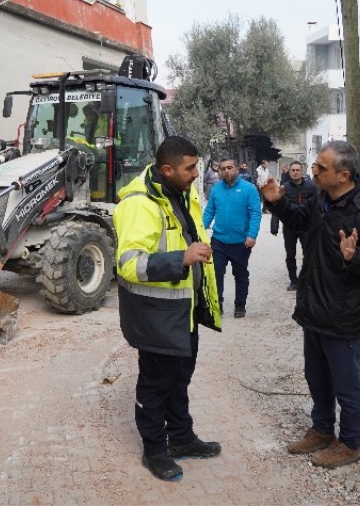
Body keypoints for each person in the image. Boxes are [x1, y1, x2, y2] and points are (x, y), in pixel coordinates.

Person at [261, 140, 360, 469]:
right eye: (314, 166)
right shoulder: (321, 196)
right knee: (316, 376)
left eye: (321, 168)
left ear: (343, 175)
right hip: (314, 303)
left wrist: (356, 255)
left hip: (343, 311)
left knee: (346, 384)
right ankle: (322, 430)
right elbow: (298, 221)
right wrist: (278, 203)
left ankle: (349, 444)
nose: (313, 171)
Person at [113, 135, 222, 482]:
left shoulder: (179, 191)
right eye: (189, 168)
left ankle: (182, 438)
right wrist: (182, 258)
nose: (196, 174)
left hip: (182, 312)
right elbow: (128, 264)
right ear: (167, 169)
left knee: (180, 380)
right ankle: (155, 450)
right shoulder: (138, 204)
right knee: (155, 385)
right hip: (156, 317)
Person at [203, 157, 262, 318]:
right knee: (216, 272)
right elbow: (209, 212)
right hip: (219, 240)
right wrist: (200, 230)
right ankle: (218, 304)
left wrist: (252, 235)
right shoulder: (216, 189)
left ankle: (240, 305)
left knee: (240, 274)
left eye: (229, 168)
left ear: (237, 169)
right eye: (223, 169)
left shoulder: (249, 189)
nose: (226, 171)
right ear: (219, 171)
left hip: (241, 242)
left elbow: (255, 213)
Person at [270, 160, 316, 291]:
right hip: (290, 227)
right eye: (293, 170)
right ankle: (293, 281)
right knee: (290, 254)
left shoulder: (311, 187)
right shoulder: (284, 187)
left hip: (306, 226)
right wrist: (274, 226)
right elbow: (277, 207)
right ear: (289, 172)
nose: (295, 172)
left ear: (302, 171)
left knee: (309, 254)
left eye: (297, 170)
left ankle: (307, 279)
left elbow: (317, 207)